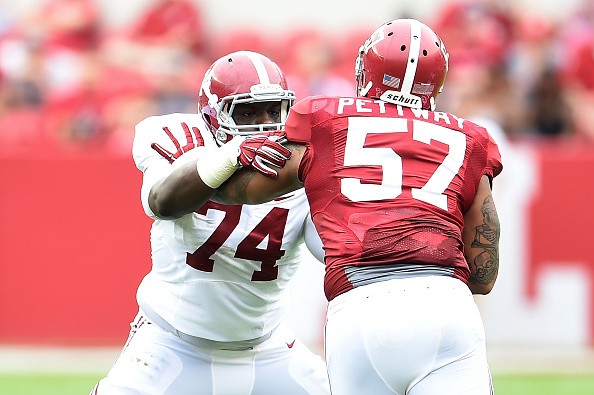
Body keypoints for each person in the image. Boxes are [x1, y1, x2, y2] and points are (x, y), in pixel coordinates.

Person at [215, 19, 503, 394]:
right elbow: (484, 276)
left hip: (360, 307)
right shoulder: (470, 138)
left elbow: (242, 192)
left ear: (366, 69)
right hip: (444, 303)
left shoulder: (324, 119)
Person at [91, 51, 330, 395]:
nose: (265, 123)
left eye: (272, 109)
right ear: (213, 115)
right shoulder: (178, 137)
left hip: (268, 347)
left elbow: (330, 249)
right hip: (171, 342)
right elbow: (163, 202)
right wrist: (230, 155)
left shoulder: (302, 162)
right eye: (247, 112)